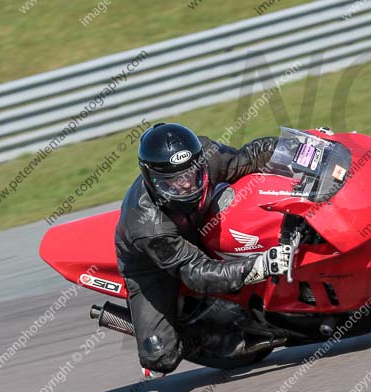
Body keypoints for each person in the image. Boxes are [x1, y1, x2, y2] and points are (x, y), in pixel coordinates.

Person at [115, 122, 290, 378]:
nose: (186, 185)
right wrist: (260, 266)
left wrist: (301, 150)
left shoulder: (208, 156)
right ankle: (201, 334)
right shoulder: (147, 226)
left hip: (197, 224)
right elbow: (196, 272)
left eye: (190, 174)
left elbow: (251, 156)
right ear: (152, 180)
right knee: (160, 356)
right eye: (172, 182)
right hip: (153, 264)